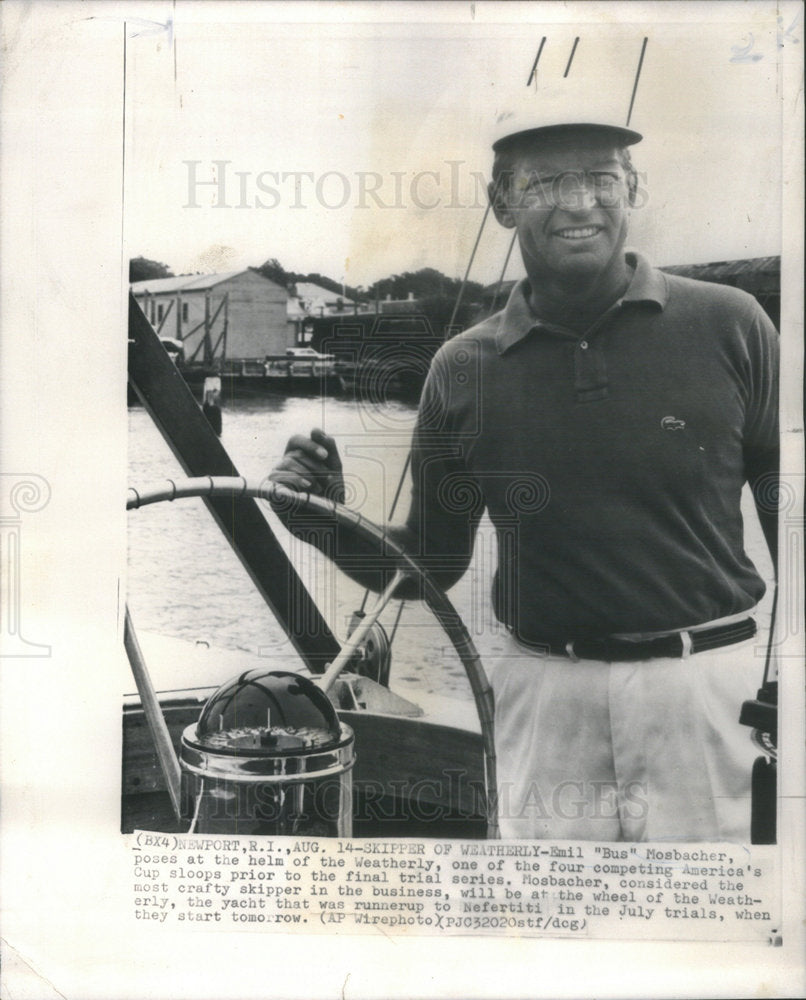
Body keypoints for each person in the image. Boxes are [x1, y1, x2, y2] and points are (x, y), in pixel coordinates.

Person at [269, 107, 779, 842]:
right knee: (550, 937)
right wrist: (317, 520)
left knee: (715, 939)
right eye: (545, 182)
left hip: (710, 694)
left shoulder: (734, 325)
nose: (578, 202)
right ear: (502, 202)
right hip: (544, 701)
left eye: (601, 177)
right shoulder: (460, 370)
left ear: (632, 187)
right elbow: (432, 563)